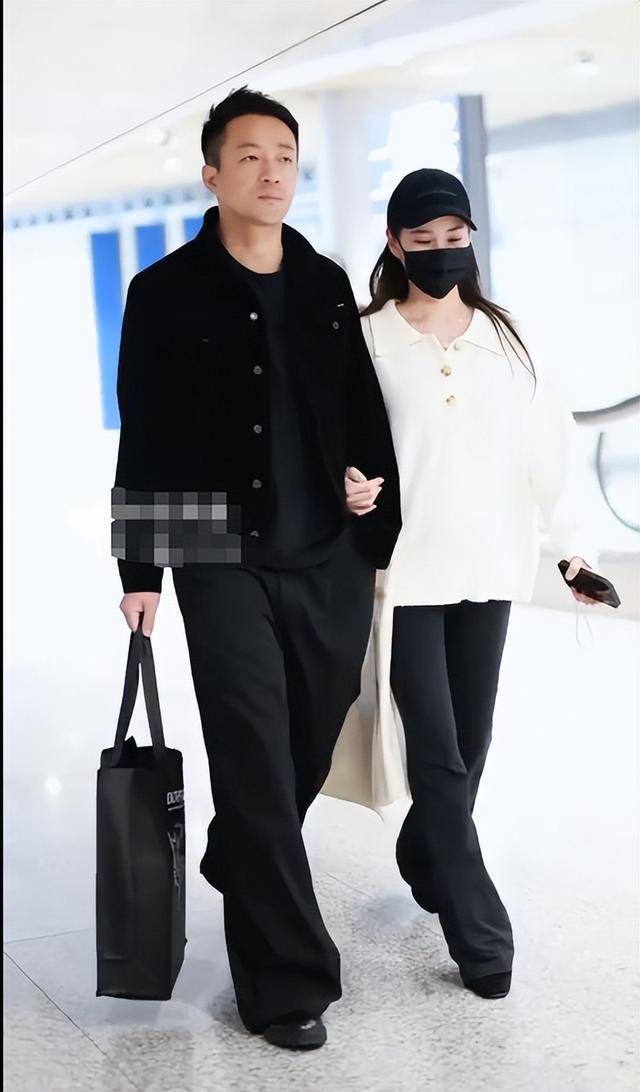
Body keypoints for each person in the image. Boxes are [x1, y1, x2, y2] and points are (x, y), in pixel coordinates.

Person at [111, 86, 401, 1050]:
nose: (271, 171)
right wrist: (141, 568)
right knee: (252, 754)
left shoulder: (322, 282)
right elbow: (147, 432)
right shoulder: (164, 291)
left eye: (284, 155)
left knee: (306, 739)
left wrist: (368, 486)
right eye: (249, 156)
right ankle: (286, 984)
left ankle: (241, 845)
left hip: (327, 549)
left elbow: (358, 407)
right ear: (212, 173)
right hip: (216, 550)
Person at [343, 167, 604, 1001]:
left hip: (492, 565)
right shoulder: (367, 338)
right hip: (406, 572)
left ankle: (425, 853)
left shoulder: (507, 337)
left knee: (474, 741)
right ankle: (481, 936)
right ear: (395, 245)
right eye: (423, 239)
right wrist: (348, 489)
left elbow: (548, 451)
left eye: (455, 237)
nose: (442, 251)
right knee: (440, 756)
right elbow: (337, 441)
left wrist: (571, 553)